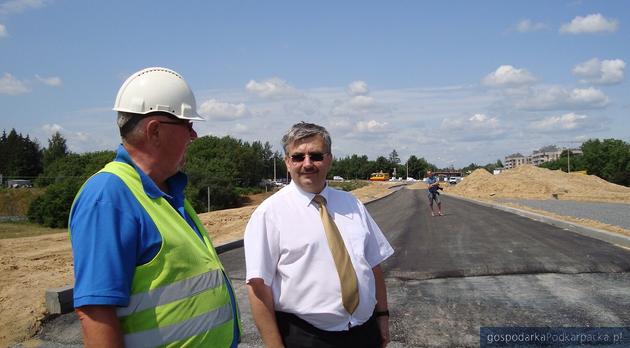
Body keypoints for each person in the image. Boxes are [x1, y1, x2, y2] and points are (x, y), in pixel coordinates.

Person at [69, 67, 241, 347]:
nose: (194, 135)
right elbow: (96, 313)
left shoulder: (168, 191)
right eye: (187, 125)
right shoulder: (109, 197)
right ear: (155, 130)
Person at [244, 122, 394, 348]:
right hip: (307, 337)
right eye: (298, 157)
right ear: (287, 162)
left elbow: (373, 264)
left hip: (364, 332)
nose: (307, 164)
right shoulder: (269, 214)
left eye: (315, 156)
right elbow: (258, 287)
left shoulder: (351, 203)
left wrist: (382, 316)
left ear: (329, 159)